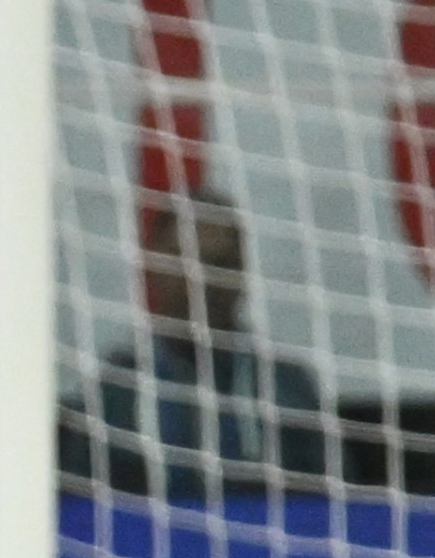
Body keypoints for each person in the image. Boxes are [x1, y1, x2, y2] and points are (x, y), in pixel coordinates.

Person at [73, 189, 328, 496]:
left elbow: (336, 511)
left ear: (241, 273)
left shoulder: (286, 388)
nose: (200, 279)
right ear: (152, 266)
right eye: (183, 259)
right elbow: (75, 512)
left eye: (217, 263)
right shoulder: (116, 391)